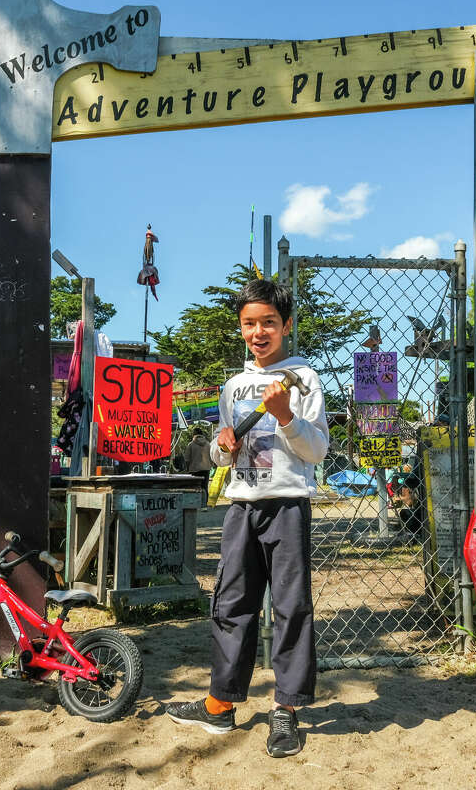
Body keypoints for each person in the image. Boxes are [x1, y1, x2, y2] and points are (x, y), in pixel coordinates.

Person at [165, 279, 328, 759]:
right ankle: (220, 704)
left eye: (269, 323)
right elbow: (219, 453)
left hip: (287, 503)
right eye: (250, 323)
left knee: (290, 607)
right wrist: (222, 446)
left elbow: (317, 448)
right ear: (240, 328)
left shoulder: (305, 377)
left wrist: (286, 417)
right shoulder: (233, 385)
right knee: (231, 603)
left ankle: (287, 710)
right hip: (241, 505)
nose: (259, 332)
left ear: (286, 326)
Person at [184, 425, 213, 501]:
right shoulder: (208, 444)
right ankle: (204, 504)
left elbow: (187, 459)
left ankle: (195, 503)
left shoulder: (191, 445)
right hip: (206, 469)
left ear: (194, 434)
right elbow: (211, 457)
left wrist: (187, 468)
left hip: (194, 469)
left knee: (194, 487)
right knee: (204, 487)